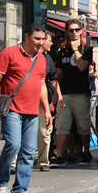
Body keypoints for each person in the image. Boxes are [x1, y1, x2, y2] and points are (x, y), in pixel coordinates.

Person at [0, 23, 52, 193]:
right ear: (27, 37)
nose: (40, 43)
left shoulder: (41, 59)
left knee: (29, 151)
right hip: (12, 108)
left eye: (42, 39)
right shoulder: (8, 53)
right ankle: (1, 182)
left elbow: (42, 84)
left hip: (32, 110)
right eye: (37, 39)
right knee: (13, 145)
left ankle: (20, 190)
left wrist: (46, 109)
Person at [53, 18, 94, 166]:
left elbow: (83, 67)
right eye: (71, 30)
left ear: (81, 31)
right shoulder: (62, 51)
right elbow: (58, 74)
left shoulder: (87, 50)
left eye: (77, 30)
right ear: (67, 32)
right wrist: (55, 94)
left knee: (83, 124)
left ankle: (85, 152)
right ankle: (60, 155)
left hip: (80, 92)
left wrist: (76, 50)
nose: (74, 33)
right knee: (62, 125)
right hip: (65, 93)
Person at [36, 32, 63, 172]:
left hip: (43, 101)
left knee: (45, 132)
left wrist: (58, 95)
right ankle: (15, 162)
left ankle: (43, 161)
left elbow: (53, 79)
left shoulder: (48, 59)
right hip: (26, 100)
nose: (51, 43)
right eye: (49, 40)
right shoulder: (29, 57)